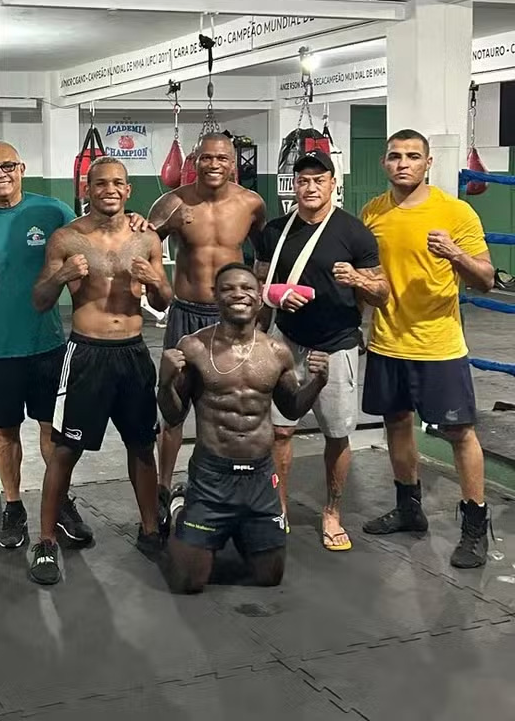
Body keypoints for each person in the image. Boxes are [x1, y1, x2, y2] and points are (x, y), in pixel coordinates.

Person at [0, 140, 130, 549]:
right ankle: (13, 506)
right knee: (5, 431)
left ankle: (59, 501)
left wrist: (135, 223)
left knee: (54, 429)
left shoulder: (51, 211)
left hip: (45, 341)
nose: (0, 175)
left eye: (7, 166)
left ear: (22, 167)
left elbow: (96, 232)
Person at [28, 158, 171, 585]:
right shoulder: (66, 238)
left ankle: (149, 530)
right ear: (86, 189)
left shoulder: (147, 239)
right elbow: (39, 300)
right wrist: (62, 277)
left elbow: (164, 301)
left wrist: (155, 282)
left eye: (118, 183)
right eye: (100, 183)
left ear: (128, 191)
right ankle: (48, 541)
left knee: (142, 446)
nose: (109, 189)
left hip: (132, 352)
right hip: (86, 354)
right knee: (65, 450)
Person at [359, 129, 495, 569]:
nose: (403, 163)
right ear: (384, 163)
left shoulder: (455, 212)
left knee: (459, 433)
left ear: (428, 163)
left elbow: (486, 279)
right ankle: (409, 508)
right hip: (386, 339)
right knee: (396, 423)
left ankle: (475, 524)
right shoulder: (372, 213)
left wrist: (455, 253)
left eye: (413, 156)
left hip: (438, 345)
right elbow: (370, 278)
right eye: (395, 156)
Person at [158, 263, 329, 593]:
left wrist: (318, 382)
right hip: (212, 478)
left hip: (260, 480)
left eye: (247, 288)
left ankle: (237, 530)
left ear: (259, 298)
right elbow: (174, 416)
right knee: (188, 583)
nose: (238, 294)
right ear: (216, 297)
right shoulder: (193, 347)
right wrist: (164, 384)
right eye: (228, 288)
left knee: (270, 577)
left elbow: (291, 406)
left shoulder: (276, 352)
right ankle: (183, 508)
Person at [255, 150, 388, 551]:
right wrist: (277, 299)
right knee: (280, 431)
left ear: (333, 184)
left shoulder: (355, 233)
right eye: (302, 181)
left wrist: (360, 281)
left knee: (336, 433)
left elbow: (383, 295)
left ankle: (332, 512)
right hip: (286, 343)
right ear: (293, 186)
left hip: (335, 346)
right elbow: (259, 286)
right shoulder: (275, 231)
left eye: (318, 180)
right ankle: (278, 509)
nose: (310, 187)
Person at [148, 133, 266, 523]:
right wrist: (152, 278)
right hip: (185, 312)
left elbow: (266, 255)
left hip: (229, 319)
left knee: (229, 406)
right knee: (175, 408)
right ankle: (162, 488)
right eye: (206, 158)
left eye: (222, 158)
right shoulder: (174, 201)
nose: (213, 165)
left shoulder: (251, 204)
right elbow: (144, 243)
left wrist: (260, 308)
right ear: (194, 161)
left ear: (233, 163)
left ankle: (231, 484)